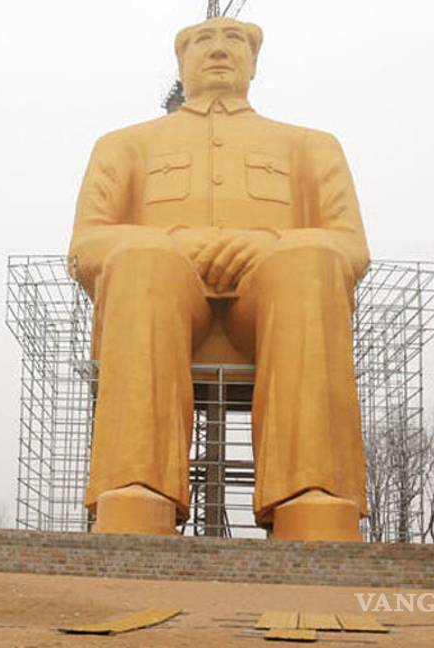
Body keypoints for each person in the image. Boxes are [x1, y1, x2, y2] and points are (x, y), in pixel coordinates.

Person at [69, 17, 370, 540]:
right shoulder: (125, 146)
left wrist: (272, 244)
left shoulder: (309, 146)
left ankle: (309, 491)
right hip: (165, 298)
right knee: (141, 258)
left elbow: (350, 246)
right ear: (180, 65)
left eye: (234, 41)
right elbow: (86, 245)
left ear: (254, 64)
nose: (218, 50)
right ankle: (140, 487)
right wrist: (172, 241)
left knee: (311, 261)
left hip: (271, 304)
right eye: (203, 42)